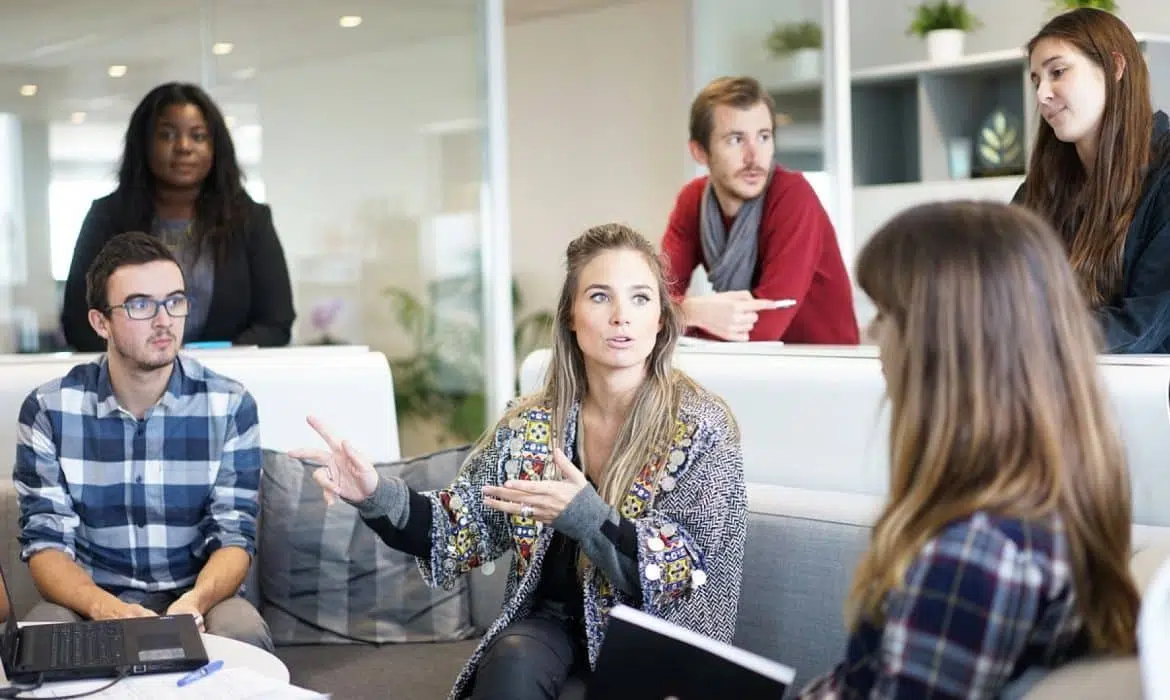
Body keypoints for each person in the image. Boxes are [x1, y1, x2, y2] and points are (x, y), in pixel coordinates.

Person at [294, 223, 747, 700]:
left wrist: (588, 518)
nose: (621, 316)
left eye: (639, 298)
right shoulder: (531, 424)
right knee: (511, 659)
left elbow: (682, 571)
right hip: (549, 625)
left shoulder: (702, 427)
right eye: (599, 296)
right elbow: (459, 526)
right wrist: (373, 493)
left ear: (660, 318)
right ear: (571, 316)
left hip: (654, 634)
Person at [799, 201, 1139, 698]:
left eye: (886, 314)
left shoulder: (975, 557)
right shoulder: (1042, 510)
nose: (872, 334)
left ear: (944, 345)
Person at [16, 232, 272, 651]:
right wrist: (107, 609)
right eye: (140, 305)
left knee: (241, 631)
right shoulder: (49, 409)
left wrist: (194, 602)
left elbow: (234, 536)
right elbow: (46, 544)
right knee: (40, 636)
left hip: (198, 598)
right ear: (101, 322)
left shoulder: (230, 405)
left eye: (175, 301)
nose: (164, 320)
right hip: (90, 601)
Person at [61, 82, 295, 351]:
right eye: (167, 135)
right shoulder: (108, 217)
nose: (184, 147)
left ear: (215, 147)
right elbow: (79, 323)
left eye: (198, 136)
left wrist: (211, 364)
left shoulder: (251, 220)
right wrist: (149, 361)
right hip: (131, 382)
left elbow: (275, 323)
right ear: (144, 144)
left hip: (227, 380)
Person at [1015, 8, 1170, 352]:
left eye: (1057, 72)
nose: (1042, 95)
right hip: (1055, 387)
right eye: (1037, 81)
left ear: (1114, 67)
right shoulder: (1039, 189)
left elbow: (1142, 326)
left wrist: (1029, 337)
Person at [660, 75, 859, 344]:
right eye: (735, 140)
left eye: (763, 137)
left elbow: (764, 328)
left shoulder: (792, 196)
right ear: (699, 152)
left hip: (823, 369)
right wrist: (690, 311)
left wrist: (678, 316)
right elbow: (652, 300)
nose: (754, 156)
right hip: (752, 367)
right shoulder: (692, 201)